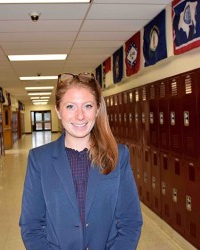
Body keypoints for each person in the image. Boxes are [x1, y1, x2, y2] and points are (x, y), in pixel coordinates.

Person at [19, 72, 143, 249]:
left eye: (87, 106)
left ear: (97, 109)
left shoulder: (117, 155)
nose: (80, 116)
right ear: (58, 111)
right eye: (70, 106)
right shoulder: (39, 160)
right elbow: (31, 226)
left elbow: (131, 221)